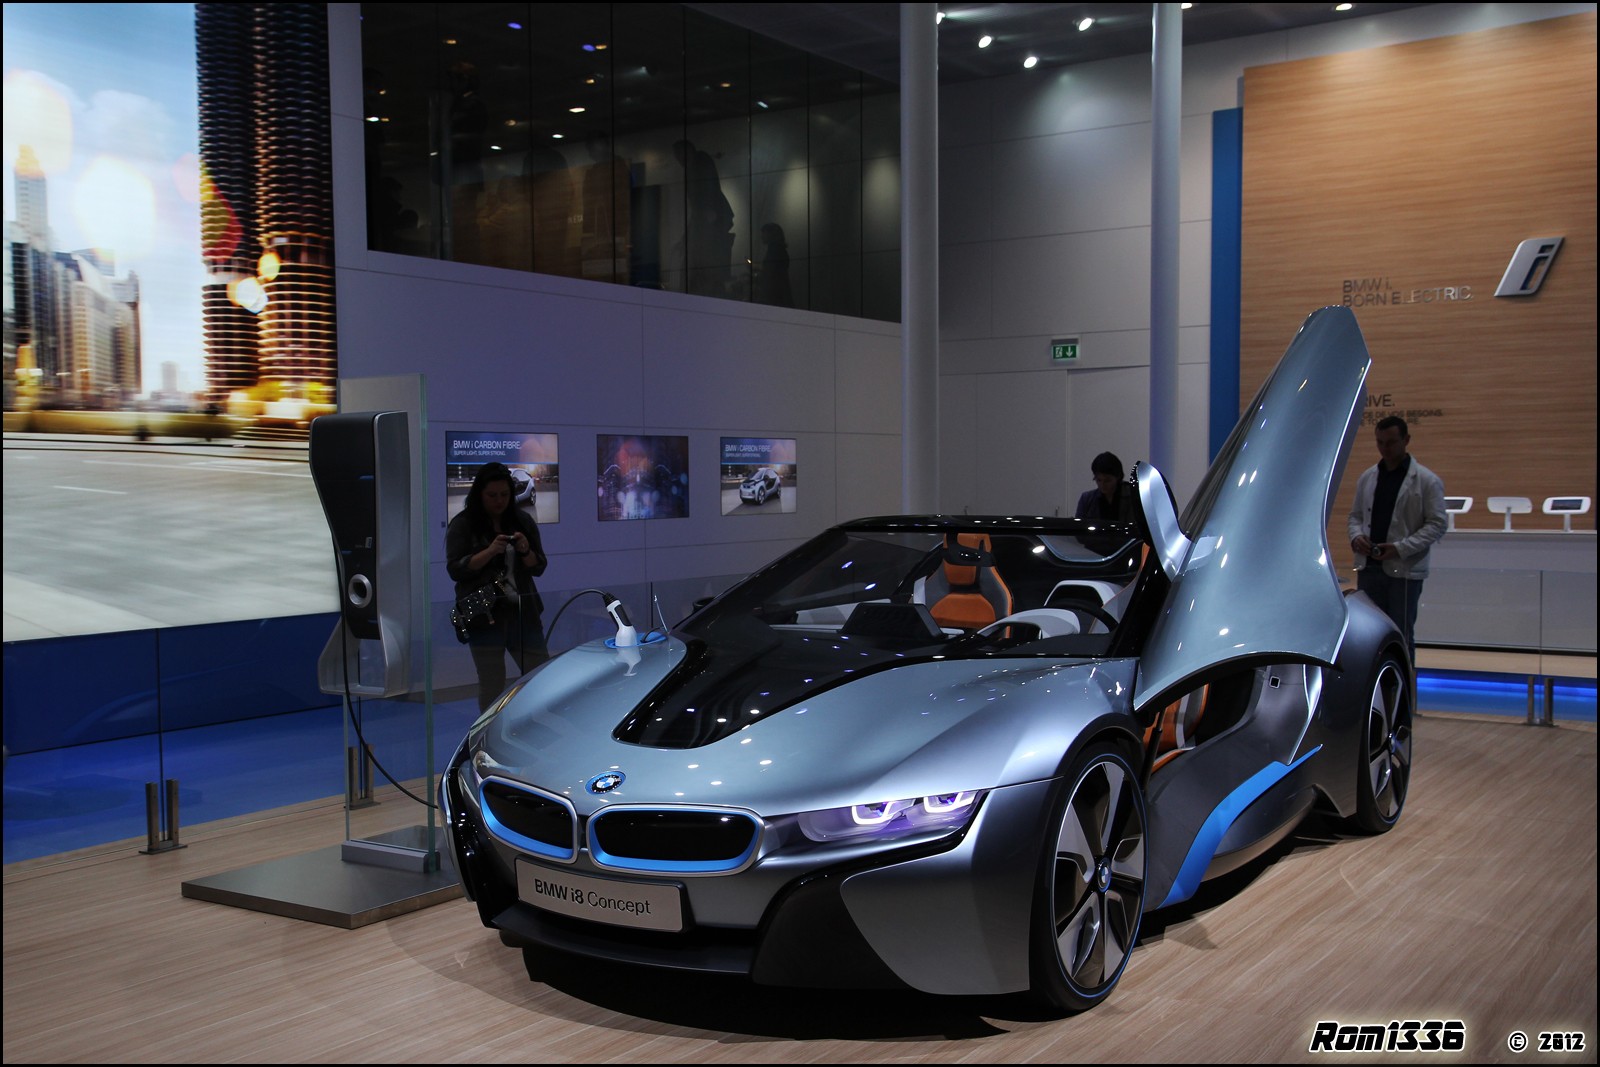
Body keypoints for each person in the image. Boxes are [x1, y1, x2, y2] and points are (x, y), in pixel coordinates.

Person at [446, 462, 549, 710]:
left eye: (504, 495)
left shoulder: (522, 521)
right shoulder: (463, 524)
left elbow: (539, 566)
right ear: (479, 494)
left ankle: (538, 728)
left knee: (541, 675)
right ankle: (488, 736)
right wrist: (490, 551)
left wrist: (524, 549)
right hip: (484, 615)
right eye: (492, 495)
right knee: (492, 682)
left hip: (523, 612)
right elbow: (456, 570)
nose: (499, 501)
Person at [1347, 416, 1447, 660]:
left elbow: (1437, 523)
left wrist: (1400, 548)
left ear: (1406, 440)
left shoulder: (1427, 480)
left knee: (1400, 635)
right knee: (1369, 633)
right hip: (1369, 568)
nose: (1385, 448)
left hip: (1404, 573)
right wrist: (1357, 536)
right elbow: (1355, 517)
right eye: (1380, 442)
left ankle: (1402, 690)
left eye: (1391, 442)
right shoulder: (1368, 477)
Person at [1075, 452, 1136, 522]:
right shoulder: (1087, 499)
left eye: (1107, 481)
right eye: (1098, 480)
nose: (1102, 485)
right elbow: (1079, 528)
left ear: (1118, 477)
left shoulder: (1132, 497)